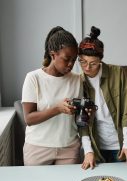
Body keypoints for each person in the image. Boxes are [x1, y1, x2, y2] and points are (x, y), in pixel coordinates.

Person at [78, 26, 127, 169]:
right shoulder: (79, 81)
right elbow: (81, 122)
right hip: (96, 147)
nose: (87, 67)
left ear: (100, 60)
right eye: (82, 61)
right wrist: (88, 150)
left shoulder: (117, 73)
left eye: (93, 63)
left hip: (120, 144)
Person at [22, 26, 82, 165]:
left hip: (69, 148)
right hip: (37, 148)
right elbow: (29, 119)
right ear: (53, 54)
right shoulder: (33, 78)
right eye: (67, 59)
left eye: (74, 60)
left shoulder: (77, 79)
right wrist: (57, 109)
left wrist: (86, 114)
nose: (71, 64)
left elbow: (78, 117)